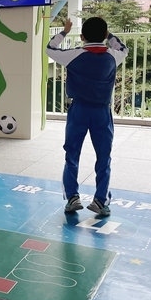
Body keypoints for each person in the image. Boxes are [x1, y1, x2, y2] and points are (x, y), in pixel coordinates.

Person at [45, 17, 129, 217]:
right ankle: (100, 201)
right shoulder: (114, 55)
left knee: (72, 154)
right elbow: (123, 48)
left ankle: (72, 198)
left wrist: (65, 31)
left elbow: (50, 48)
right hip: (102, 112)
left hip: (79, 110)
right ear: (105, 35)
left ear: (82, 37)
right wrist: (108, 35)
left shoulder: (74, 55)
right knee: (104, 157)